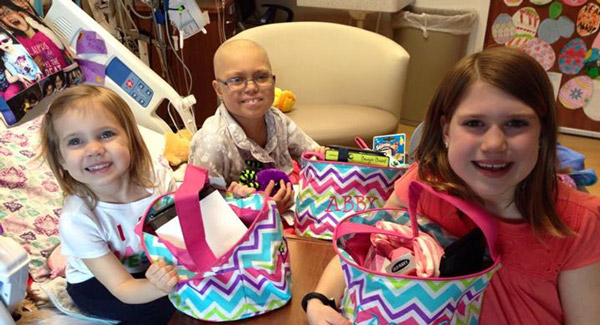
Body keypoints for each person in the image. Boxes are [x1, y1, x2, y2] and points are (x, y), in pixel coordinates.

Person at [305, 46, 600, 325]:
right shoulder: (424, 184)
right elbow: (363, 248)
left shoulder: (578, 223)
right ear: (446, 130)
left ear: (542, 132)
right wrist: (319, 301)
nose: (494, 144)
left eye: (516, 124)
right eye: (474, 123)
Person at [39, 85, 179, 324]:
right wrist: (160, 288)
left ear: (131, 140)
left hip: (148, 264)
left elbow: (189, 224)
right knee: (162, 309)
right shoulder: (78, 219)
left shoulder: (158, 180)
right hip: (97, 284)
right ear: (61, 158)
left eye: (106, 134)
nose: (94, 149)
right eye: (75, 141)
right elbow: (123, 287)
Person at [189, 39, 324, 213]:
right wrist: (258, 208)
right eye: (237, 80)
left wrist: (322, 160)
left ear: (273, 81)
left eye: (261, 77)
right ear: (219, 89)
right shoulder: (212, 142)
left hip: (284, 210)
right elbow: (200, 206)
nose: (251, 87)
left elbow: (311, 153)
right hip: (239, 226)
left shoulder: (277, 120)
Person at [0, 2, 72, 76]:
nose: (8, 17)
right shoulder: (17, 43)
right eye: (2, 16)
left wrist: (29, 19)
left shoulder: (46, 28)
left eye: (8, 12)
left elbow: (62, 45)